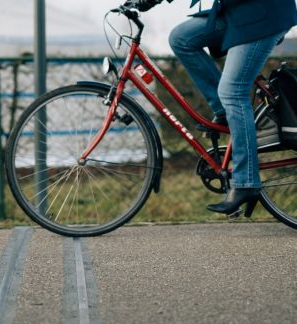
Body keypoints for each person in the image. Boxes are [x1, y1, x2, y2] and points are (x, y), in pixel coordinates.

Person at [125, 0, 297, 217]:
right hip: (238, 11)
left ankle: (246, 183)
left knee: (233, 91)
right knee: (182, 38)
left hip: (263, 14)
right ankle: (224, 110)